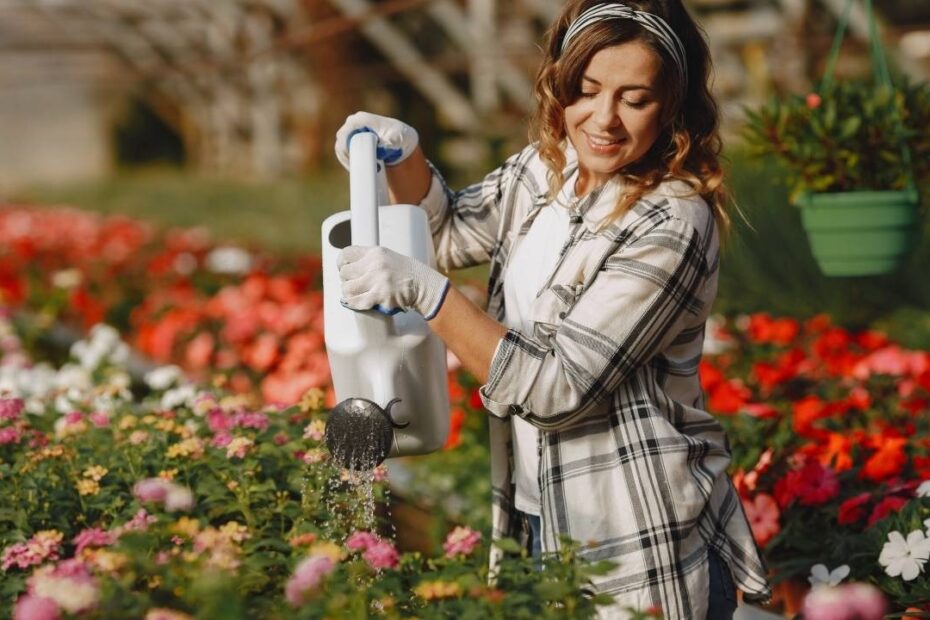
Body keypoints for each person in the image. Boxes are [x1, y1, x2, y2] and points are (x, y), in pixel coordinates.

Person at [334, 1, 771, 617]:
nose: (604, 119)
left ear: (672, 104)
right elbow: (449, 234)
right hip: (539, 520)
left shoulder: (672, 219)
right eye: (586, 91)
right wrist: (402, 158)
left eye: (635, 98)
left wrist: (427, 295)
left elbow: (557, 386)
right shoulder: (549, 168)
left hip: (636, 550)